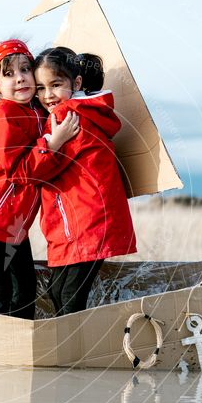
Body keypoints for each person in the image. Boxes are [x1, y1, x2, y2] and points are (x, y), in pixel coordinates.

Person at [0, 39, 79, 319]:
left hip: (13, 221)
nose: (20, 78)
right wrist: (53, 142)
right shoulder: (4, 114)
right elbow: (18, 172)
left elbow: (61, 79)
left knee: (24, 285)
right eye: (8, 74)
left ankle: (25, 344)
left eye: (25, 69)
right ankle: (1, 349)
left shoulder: (38, 108)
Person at [34, 47, 137, 315]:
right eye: (40, 88)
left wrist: (44, 144)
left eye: (55, 85)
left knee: (68, 295)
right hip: (87, 219)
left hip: (85, 221)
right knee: (59, 291)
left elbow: (41, 169)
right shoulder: (86, 112)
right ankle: (71, 347)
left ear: (76, 83)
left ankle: (73, 353)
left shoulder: (66, 117)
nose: (47, 95)